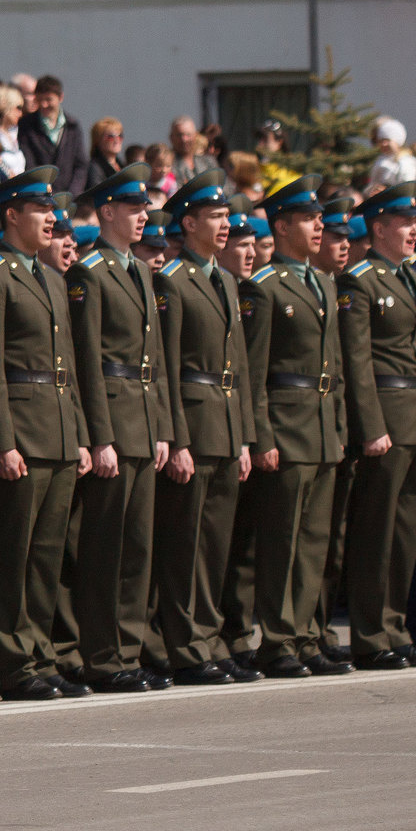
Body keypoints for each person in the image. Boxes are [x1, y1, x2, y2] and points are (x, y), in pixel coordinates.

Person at [0, 167, 89, 701]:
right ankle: (13, 659)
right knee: (15, 553)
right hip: (22, 428)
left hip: (60, 429)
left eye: (53, 210)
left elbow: (67, 364)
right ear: (12, 215)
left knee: (47, 555)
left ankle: (41, 652)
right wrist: (2, 442)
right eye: (41, 211)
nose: (52, 219)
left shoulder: (50, 275)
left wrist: (82, 435)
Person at [65, 164, 171, 693]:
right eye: (135, 208)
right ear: (107, 212)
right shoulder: (91, 272)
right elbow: (88, 361)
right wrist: (100, 435)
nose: (143, 216)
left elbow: (155, 359)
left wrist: (164, 429)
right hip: (114, 417)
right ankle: (104, 656)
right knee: (106, 548)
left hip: (143, 416)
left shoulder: (141, 272)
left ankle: (127, 650)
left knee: (137, 548)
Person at [239, 176, 351, 678]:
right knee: (281, 540)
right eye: (309, 219)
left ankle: (305, 635)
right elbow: (254, 371)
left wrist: (342, 427)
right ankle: (278, 639)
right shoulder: (263, 288)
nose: (319, 226)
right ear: (282, 226)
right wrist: (261, 436)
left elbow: (337, 366)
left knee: (313, 543)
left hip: (323, 426)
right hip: (287, 426)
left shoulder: (324, 283)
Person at [153, 172, 257, 686]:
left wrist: (243, 437)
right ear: (188, 222)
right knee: (185, 543)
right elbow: (167, 366)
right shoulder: (172, 279)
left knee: (216, 542)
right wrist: (177, 439)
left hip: (223, 419)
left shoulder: (226, 281)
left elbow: (236, 363)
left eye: (225, 218)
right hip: (193, 419)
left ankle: (211, 637)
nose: (224, 226)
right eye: (214, 218)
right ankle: (186, 644)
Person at [337, 184, 416, 671]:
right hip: (387, 417)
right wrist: (371, 425)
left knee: (406, 533)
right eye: (405, 223)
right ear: (379, 228)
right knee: (376, 532)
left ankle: (396, 628)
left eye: (415, 222)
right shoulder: (359, 281)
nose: (414, 230)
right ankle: (370, 635)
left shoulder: (409, 278)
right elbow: (357, 361)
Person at [17, 76, 85, 182]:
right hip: (40, 193)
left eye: (48, 99)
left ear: (60, 97)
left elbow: (80, 165)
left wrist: (72, 194)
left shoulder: (73, 126)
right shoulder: (26, 126)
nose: (44, 105)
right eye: (40, 100)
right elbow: (29, 162)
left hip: (68, 195)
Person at [367, 119, 416, 189]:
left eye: (387, 140)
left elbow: (408, 184)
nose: (384, 144)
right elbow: (372, 184)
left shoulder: (407, 161)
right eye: (381, 141)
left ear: (397, 141)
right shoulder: (380, 161)